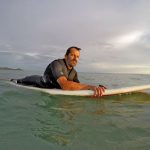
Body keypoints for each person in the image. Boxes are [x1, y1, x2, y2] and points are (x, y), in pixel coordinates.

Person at [11, 46, 106, 97]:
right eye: (72, 55)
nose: (75, 58)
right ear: (65, 56)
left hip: (54, 86)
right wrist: (90, 87)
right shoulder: (57, 64)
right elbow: (65, 85)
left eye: (77, 57)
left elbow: (77, 88)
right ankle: (15, 80)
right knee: (19, 81)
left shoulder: (74, 73)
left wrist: (96, 89)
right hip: (38, 82)